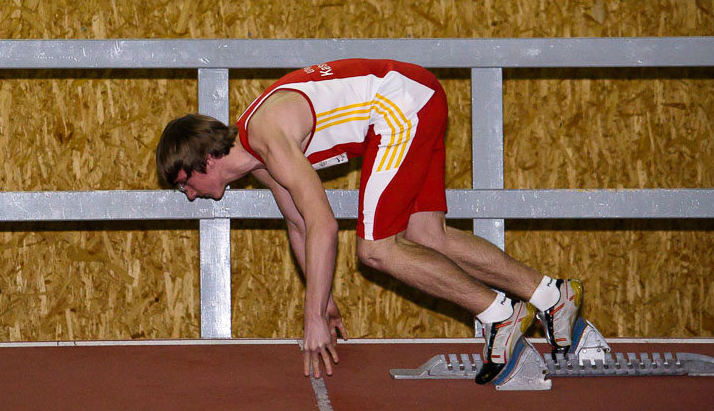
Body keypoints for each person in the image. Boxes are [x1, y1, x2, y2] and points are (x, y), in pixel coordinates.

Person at [156, 59, 584, 384]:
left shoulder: (267, 133)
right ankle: (551, 296)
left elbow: (324, 225)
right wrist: (321, 299)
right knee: (424, 233)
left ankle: (500, 316)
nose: (190, 195)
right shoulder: (262, 158)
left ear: (207, 159)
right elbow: (301, 226)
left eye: (185, 184)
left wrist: (313, 321)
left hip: (402, 106)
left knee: (377, 248)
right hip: (417, 97)